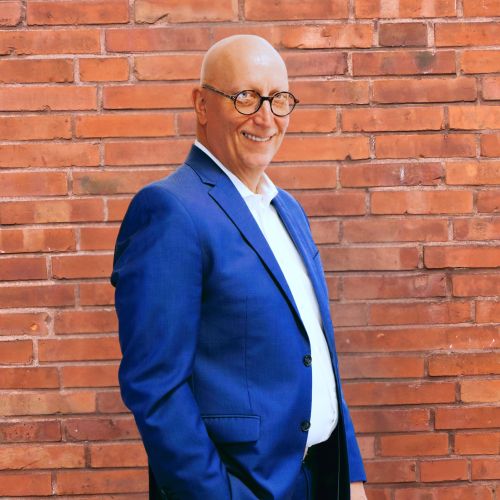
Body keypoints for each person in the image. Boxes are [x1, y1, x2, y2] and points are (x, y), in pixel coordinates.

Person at [111, 35, 367, 499]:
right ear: (201, 104)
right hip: (243, 487)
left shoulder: (286, 209)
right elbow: (155, 387)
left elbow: (316, 352)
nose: (265, 117)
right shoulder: (170, 210)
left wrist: (350, 477)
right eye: (246, 97)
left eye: (279, 99)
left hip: (319, 480)